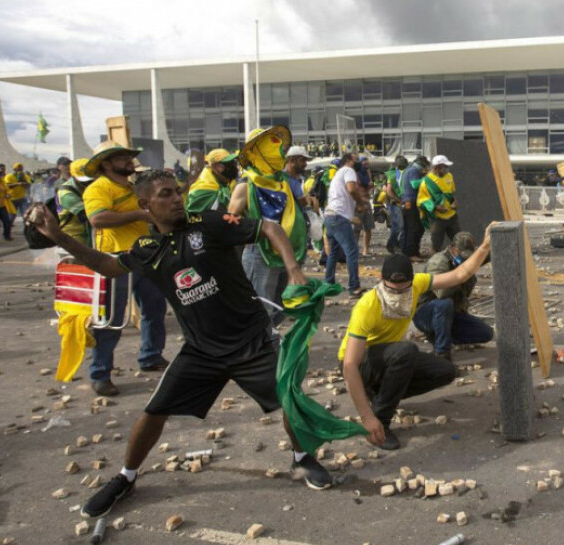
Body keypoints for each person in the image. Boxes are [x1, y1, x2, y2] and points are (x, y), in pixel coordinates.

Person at [26, 170, 341, 520]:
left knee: (290, 401)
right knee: (153, 411)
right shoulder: (147, 249)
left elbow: (268, 227)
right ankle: (126, 477)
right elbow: (106, 265)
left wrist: (294, 268)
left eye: (177, 191)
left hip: (251, 341)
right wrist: (57, 235)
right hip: (201, 351)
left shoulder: (208, 223)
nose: (176, 198)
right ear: (146, 204)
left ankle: (301, 458)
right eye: (165, 194)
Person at [340, 228, 494, 450]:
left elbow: (460, 275)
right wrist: (367, 417)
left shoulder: (419, 284)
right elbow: (349, 364)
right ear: (382, 280)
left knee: (445, 371)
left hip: (389, 357)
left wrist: (485, 245)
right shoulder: (367, 306)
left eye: (404, 290)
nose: (398, 295)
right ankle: (380, 422)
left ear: (412, 282)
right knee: (406, 351)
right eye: (392, 290)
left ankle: (381, 396)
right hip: (361, 364)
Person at [82, 142, 170, 396]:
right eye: (121, 157)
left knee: (154, 309)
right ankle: (100, 373)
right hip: (114, 259)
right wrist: (139, 215)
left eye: (128, 156)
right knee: (111, 319)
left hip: (144, 255)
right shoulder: (98, 188)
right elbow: (98, 219)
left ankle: (151, 356)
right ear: (106, 164)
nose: (129, 161)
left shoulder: (131, 187)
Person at [228, 127, 309, 331]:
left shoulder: (281, 182)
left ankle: (266, 338)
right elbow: (231, 221)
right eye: (270, 147)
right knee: (261, 308)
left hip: (285, 250)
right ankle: (260, 344)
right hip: (259, 251)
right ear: (257, 152)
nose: (278, 152)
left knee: (281, 306)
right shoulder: (247, 184)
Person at [413, 232, 494, 361]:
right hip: (427, 312)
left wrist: (489, 243)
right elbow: (441, 293)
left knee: (486, 333)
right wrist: (461, 274)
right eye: (463, 256)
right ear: (453, 249)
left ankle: (441, 335)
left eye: (469, 257)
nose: (466, 260)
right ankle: (442, 353)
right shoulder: (438, 262)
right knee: (445, 304)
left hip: (451, 314)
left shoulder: (465, 260)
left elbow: (485, 255)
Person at [323, 152, 367, 297]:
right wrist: (361, 203)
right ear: (348, 160)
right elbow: (351, 189)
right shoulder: (348, 170)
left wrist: (355, 209)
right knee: (352, 251)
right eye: (356, 160)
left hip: (330, 216)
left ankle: (328, 284)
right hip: (338, 217)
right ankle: (354, 287)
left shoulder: (338, 174)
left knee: (333, 253)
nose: (359, 163)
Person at [418, 155, 460, 254]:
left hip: (452, 216)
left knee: (459, 241)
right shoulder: (427, 181)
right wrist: (436, 207)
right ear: (438, 167)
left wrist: (455, 202)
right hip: (437, 219)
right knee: (436, 244)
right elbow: (422, 200)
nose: (447, 169)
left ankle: (460, 260)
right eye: (445, 166)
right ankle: (436, 260)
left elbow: (452, 193)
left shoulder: (449, 176)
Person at [55, 158, 94, 247]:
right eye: (84, 180)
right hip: (74, 238)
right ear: (73, 175)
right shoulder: (66, 194)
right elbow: (87, 216)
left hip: (87, 234)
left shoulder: (84, 187)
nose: (88, 182)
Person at [186, 149, 238, 214]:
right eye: (228, 164)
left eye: (233, 163)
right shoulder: (203, 187)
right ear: (214, 166)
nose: (232, 167)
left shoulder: (222, 181)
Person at [400, 156, 428, 260]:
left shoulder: (411, 170)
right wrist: (427, 178)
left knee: (414, 228)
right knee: (414, 228)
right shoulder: (413, 170)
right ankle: (411, 253)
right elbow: (415, 185)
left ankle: (412, 251)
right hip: (411, 202)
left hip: (410, 202)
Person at [383, 156, 407, 254]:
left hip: (398, 203)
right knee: (398, 227)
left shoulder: (399, 174)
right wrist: (398, 200)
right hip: (395, 204)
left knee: (400, 227)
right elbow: (388, 190)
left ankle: (399, 245)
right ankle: (392, 245)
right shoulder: (393, 175)